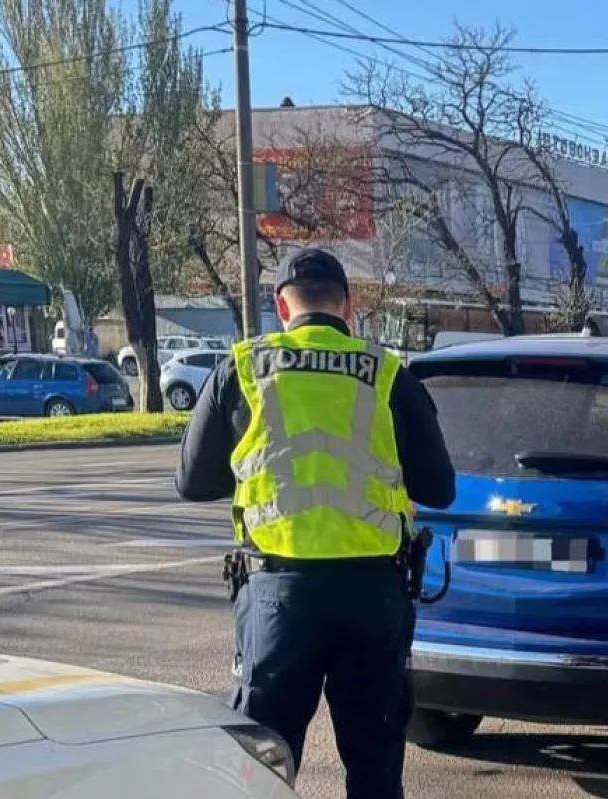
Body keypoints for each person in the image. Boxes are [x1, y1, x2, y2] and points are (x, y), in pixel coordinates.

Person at [175, 248, 456, 798]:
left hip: (278, 596)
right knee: (375, 768)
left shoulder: (242, 368)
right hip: (372, 595)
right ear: (347, 307)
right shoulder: (387, 373)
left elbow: (192, 481)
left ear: (282, 308)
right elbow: (439, 488)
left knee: (262, 769)